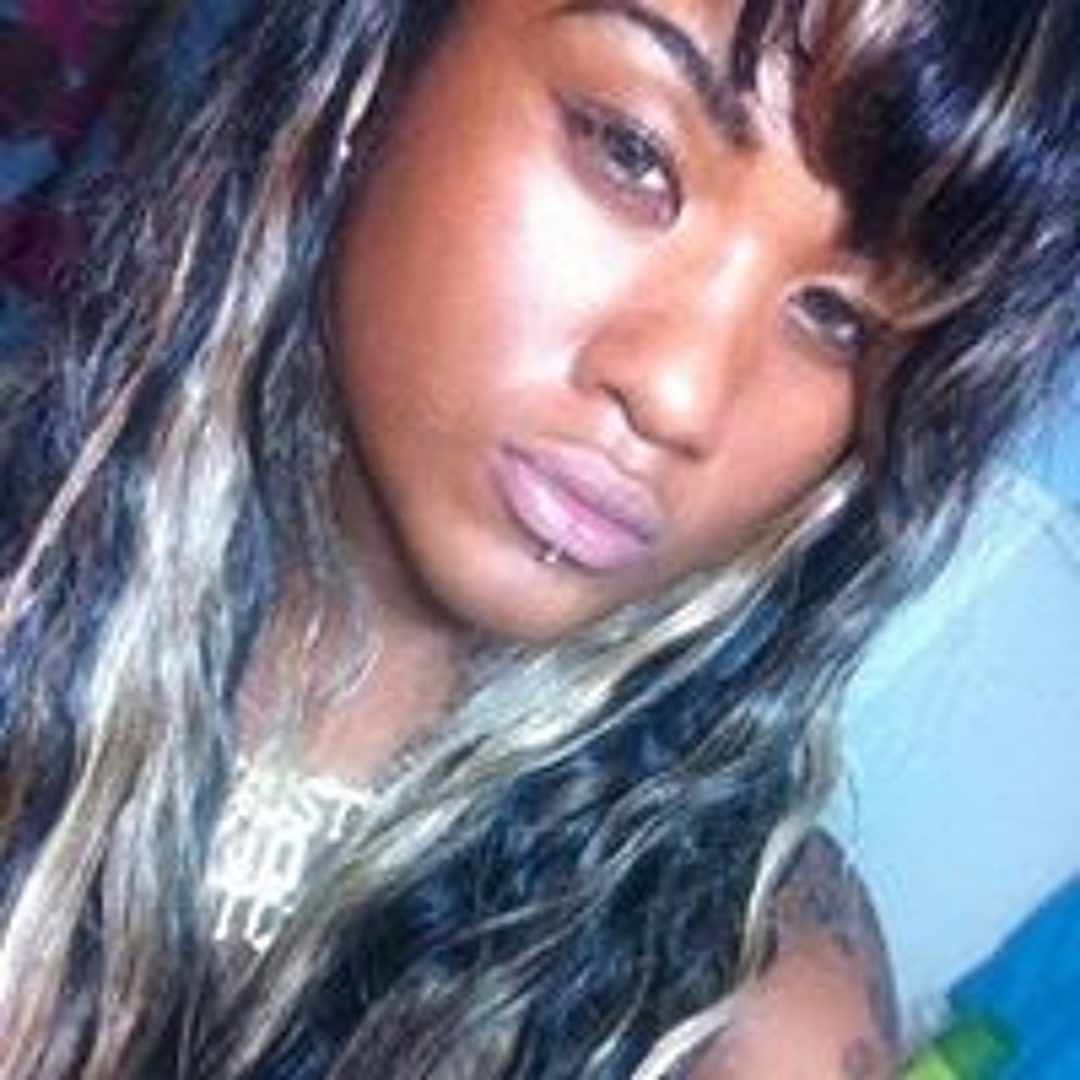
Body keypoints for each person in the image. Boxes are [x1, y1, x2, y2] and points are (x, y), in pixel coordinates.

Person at [0, 0, 1076, 1076]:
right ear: (389, 51)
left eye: (841, 320)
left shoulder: (742, 1018)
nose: (681, 394)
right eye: (631, 153)